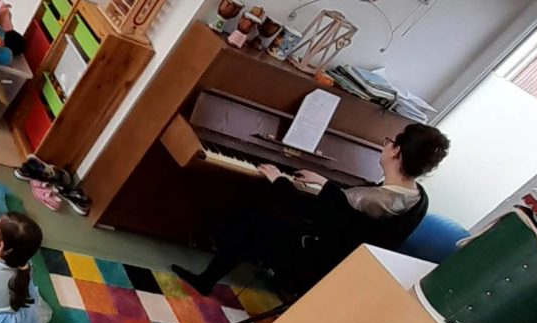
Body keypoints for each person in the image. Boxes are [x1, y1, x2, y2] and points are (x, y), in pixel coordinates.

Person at [174, 123, 452, 297]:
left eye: (390, 142)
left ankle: (206, 279)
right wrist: (326, 183)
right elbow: (348, 213)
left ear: (396, 152)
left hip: (314, 265)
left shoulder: (371, 201)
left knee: (252, 217)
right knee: (264, 217)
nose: (387, 144)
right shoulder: (418, 198)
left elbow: (306, 209)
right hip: (343, 266)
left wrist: (279, 178)